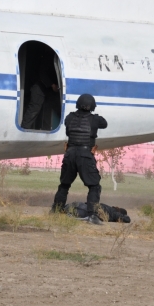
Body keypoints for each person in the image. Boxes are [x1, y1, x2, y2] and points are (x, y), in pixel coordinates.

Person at [51, 94, 108, 225]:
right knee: (94, 186)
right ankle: (92, 215)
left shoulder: (70, 117)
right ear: (92, 106)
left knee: (64, 185)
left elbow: (67, 131)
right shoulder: (95, 120)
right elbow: (104, 124)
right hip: (85, 155)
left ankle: (55, 211)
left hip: (70, 154)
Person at [59, 201, 131, 223]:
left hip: (86, 205)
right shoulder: (114, 213)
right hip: (87, 212)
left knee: (65, 209)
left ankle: (65, 208)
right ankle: (71, 211)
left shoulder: (109, 207)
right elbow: (127, 219)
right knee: (80, 213)